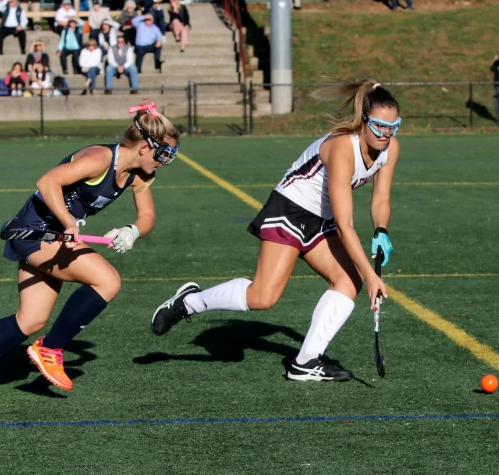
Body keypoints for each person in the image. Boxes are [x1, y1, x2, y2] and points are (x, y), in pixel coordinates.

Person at [151, 79, 401, 383]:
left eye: (393, 126)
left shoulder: (390, 148)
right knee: (262, 297)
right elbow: (345, 224)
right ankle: (189, 301)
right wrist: (371, 275)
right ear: (363, 121)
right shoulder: (342, 148)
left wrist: (381, 230)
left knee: (347, 282)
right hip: (291, 208)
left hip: (320, 218)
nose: (386, 133)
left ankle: (306, 362)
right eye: (379, 126)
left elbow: (381, 199)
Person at [0, 101, 180, 399]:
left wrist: (132, 231)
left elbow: (147, 217)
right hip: (35, 231)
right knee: (108, 280)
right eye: (164, 153)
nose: (164, 161)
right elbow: (47, 181)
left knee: (31, 319)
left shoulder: (140, 175)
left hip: (57, 237)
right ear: (145, 146)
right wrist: (68, 222)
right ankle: (50, 349)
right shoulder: (100, 159)